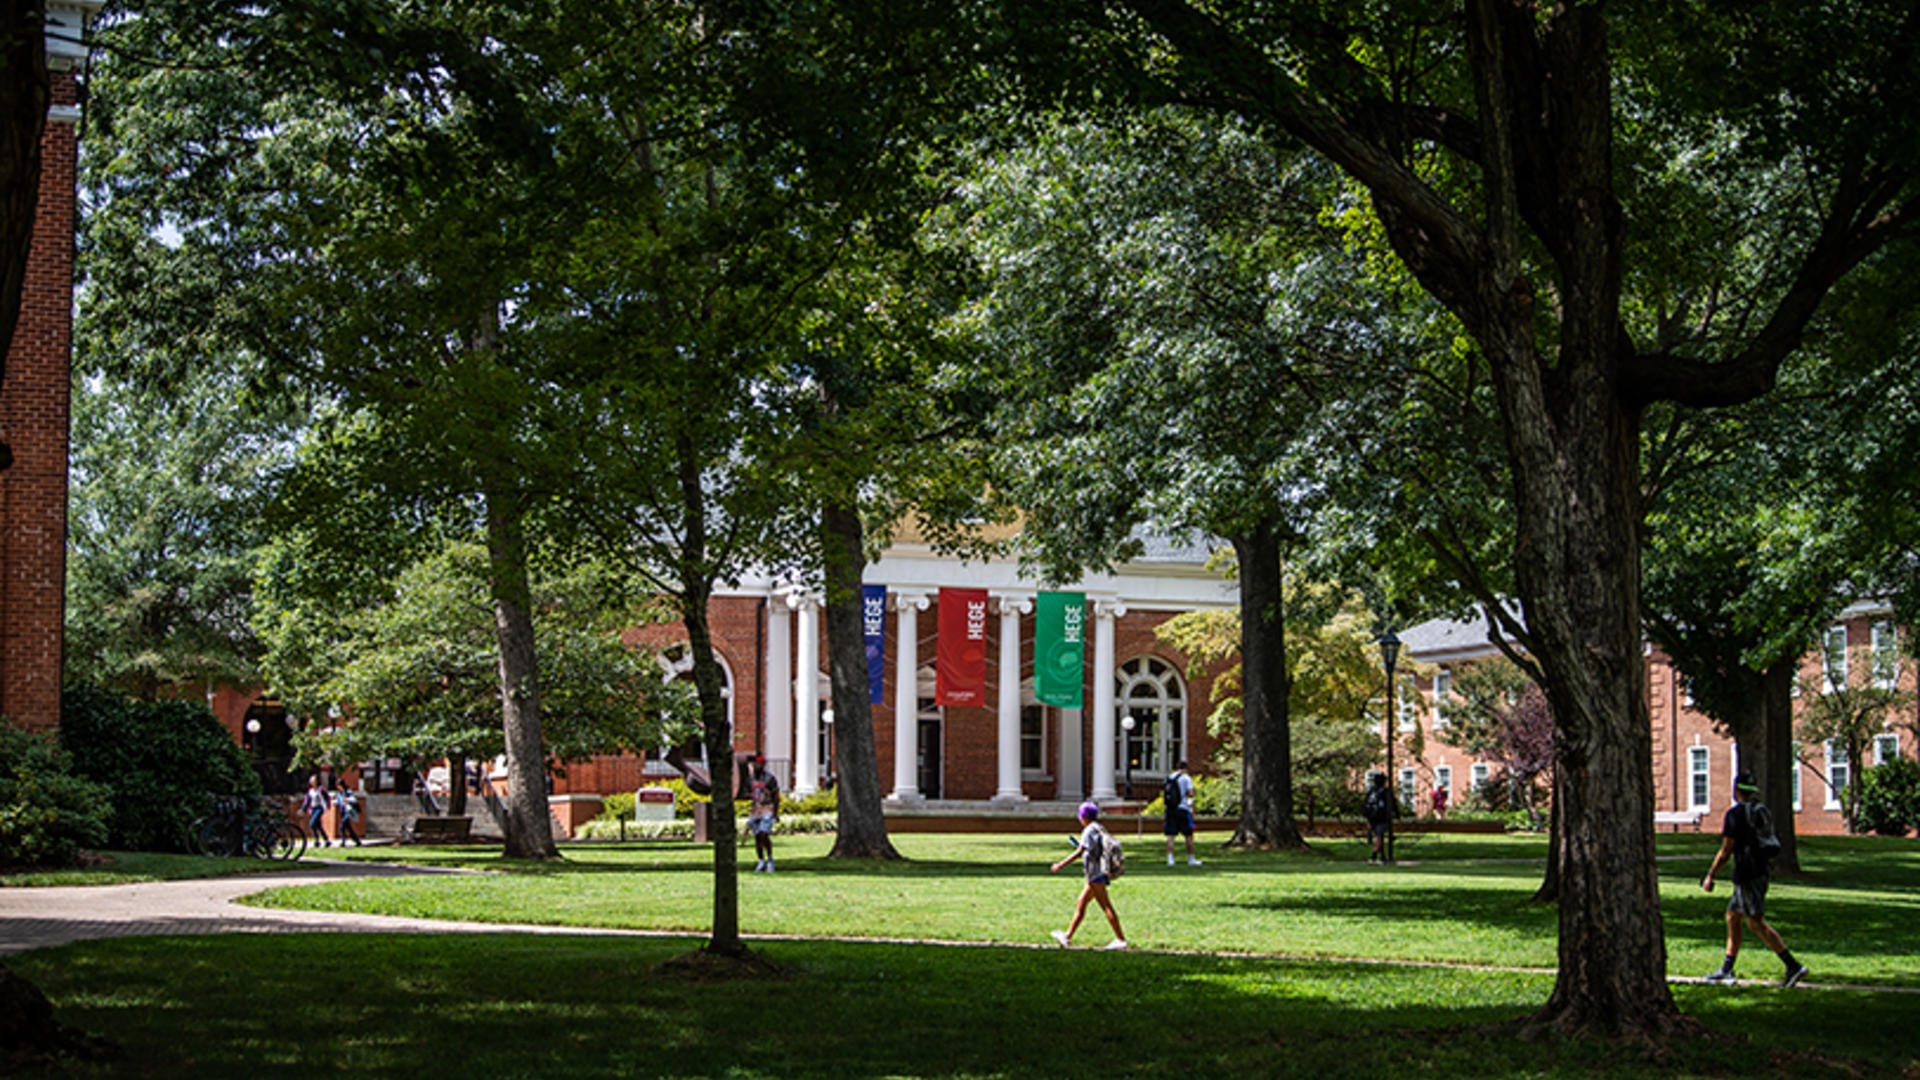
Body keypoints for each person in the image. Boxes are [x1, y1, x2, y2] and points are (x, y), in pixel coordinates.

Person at [1702, 772, 1808, 987]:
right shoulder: (1761, 811)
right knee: (1733, 916)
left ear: (1736, 790)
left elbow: (1726, 850)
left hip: (1747, 874)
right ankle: (1727, 968)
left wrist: (1711, 874)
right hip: (1760, 871)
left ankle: (1792, 965)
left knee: (1755, 922)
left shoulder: (1735, 815)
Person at [1049, 802, 1129, 950]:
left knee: (1106, 906)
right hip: (1097, 873)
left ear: (1084, 816)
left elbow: (1079, 852)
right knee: (1081, 903)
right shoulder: (1098, 828)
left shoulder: (1088, 831)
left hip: (1095, 874)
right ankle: (1067, 937)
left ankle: (1121, 939)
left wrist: (1060, 864)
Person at [746, 755, 781, 872]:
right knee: (757, 838)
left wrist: (775, 812)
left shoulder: (769, 778)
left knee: (763, 834)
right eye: (755, 765)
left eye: (758, 765)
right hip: (755, 810)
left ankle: (770, 859)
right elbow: (747, 793)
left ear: (763, 765)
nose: (756, 767)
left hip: (767, 808)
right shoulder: (751, 779)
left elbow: (776, 796)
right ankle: (761, 861)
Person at [1163, 761, 1201, 866]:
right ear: (1185, 769)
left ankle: (1170, 859)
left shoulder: (1170, 778)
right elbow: (1190, 793)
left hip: (1170, 809)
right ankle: (1191, 859)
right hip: (1182, 808)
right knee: (1188, 835)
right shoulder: (1186, 778)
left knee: (1170, 836)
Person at [1363, 772, 1394, 864]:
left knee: (1379, 836)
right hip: (1382, 817)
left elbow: (1365, 804)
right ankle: (1374, 854)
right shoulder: (1385, 791)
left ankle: (1383, 855)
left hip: (1372, 817)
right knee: (1379, 836)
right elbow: (1392, 804)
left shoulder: (1371, 791)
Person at [302, 775, 331, 847]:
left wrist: (326, 805)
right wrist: (303, 809)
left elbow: (327, 797)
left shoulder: (321, 789)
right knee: (318, 825)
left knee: (312, 823)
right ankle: (326, 840)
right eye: (311, 781)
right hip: (313, 808)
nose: (312, 782)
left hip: (320, 808)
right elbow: (307, 801)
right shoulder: (310, 791)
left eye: (313, 780)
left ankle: (317, 839)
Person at [332, 782, 363, 847]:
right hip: (342, 811)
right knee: (349, 828)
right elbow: (338, 801)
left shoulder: (348, 792)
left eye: (339, 786)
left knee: (342, 826)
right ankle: (357, 841)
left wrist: (347, 799)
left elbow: (354, 799)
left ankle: (343, 841)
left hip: (348, 811)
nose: (338, 787)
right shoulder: (339, 793)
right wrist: (334, 802)